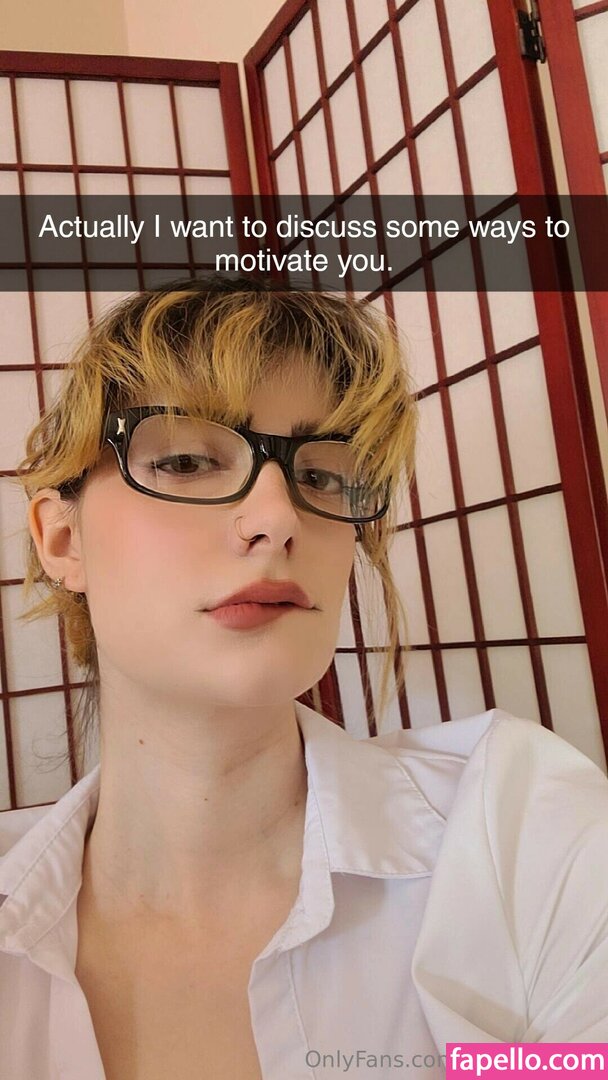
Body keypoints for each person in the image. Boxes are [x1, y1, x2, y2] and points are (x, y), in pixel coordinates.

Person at [0, 274, 606, 1080]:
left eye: (321, 476)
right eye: (185, 459)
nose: (278, 517)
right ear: (62, 540)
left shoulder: (520, 834)